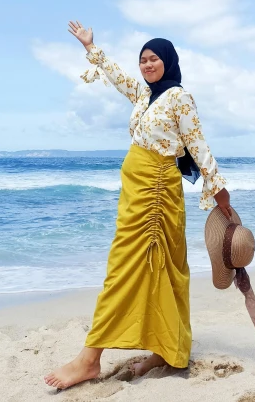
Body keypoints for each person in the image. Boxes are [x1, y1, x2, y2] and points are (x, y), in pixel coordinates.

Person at [44, 21, 231, 390]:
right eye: (143, 59)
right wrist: (91, 47)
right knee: (150, 268)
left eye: (154, 59)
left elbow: (197, 143)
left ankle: (89, 359)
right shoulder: (145, 96)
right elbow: (116, 77)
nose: (147, 65)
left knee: (128, 268)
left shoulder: (179, 97)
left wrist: (218, 188)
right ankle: (165, 350)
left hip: (158, 194)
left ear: (169, 62)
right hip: (136, 190)